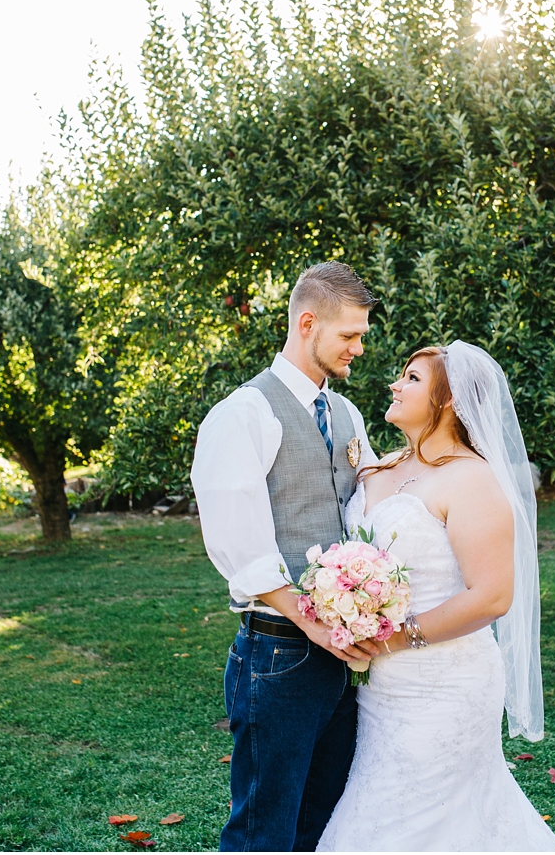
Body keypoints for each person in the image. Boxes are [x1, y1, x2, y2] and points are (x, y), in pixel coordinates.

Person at [315, 342, 555, 851]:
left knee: (407, 820)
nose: (394, 385)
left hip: (446, 685)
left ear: (447, 401)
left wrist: (396, 639)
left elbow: (492, 596)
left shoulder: (472, 479)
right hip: (381, 686)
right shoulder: (384, 467)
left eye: (411, 378)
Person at [193, 261, 377, 852]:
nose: (357, 349)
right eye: (349, 336)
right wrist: (315, 624)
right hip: (278, 652)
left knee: (324, 824)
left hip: (345, 659)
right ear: (306, 323)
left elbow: (367, 514)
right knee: (263, 828)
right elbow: (239, 544)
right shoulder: (243, 414)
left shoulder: (348, 416)